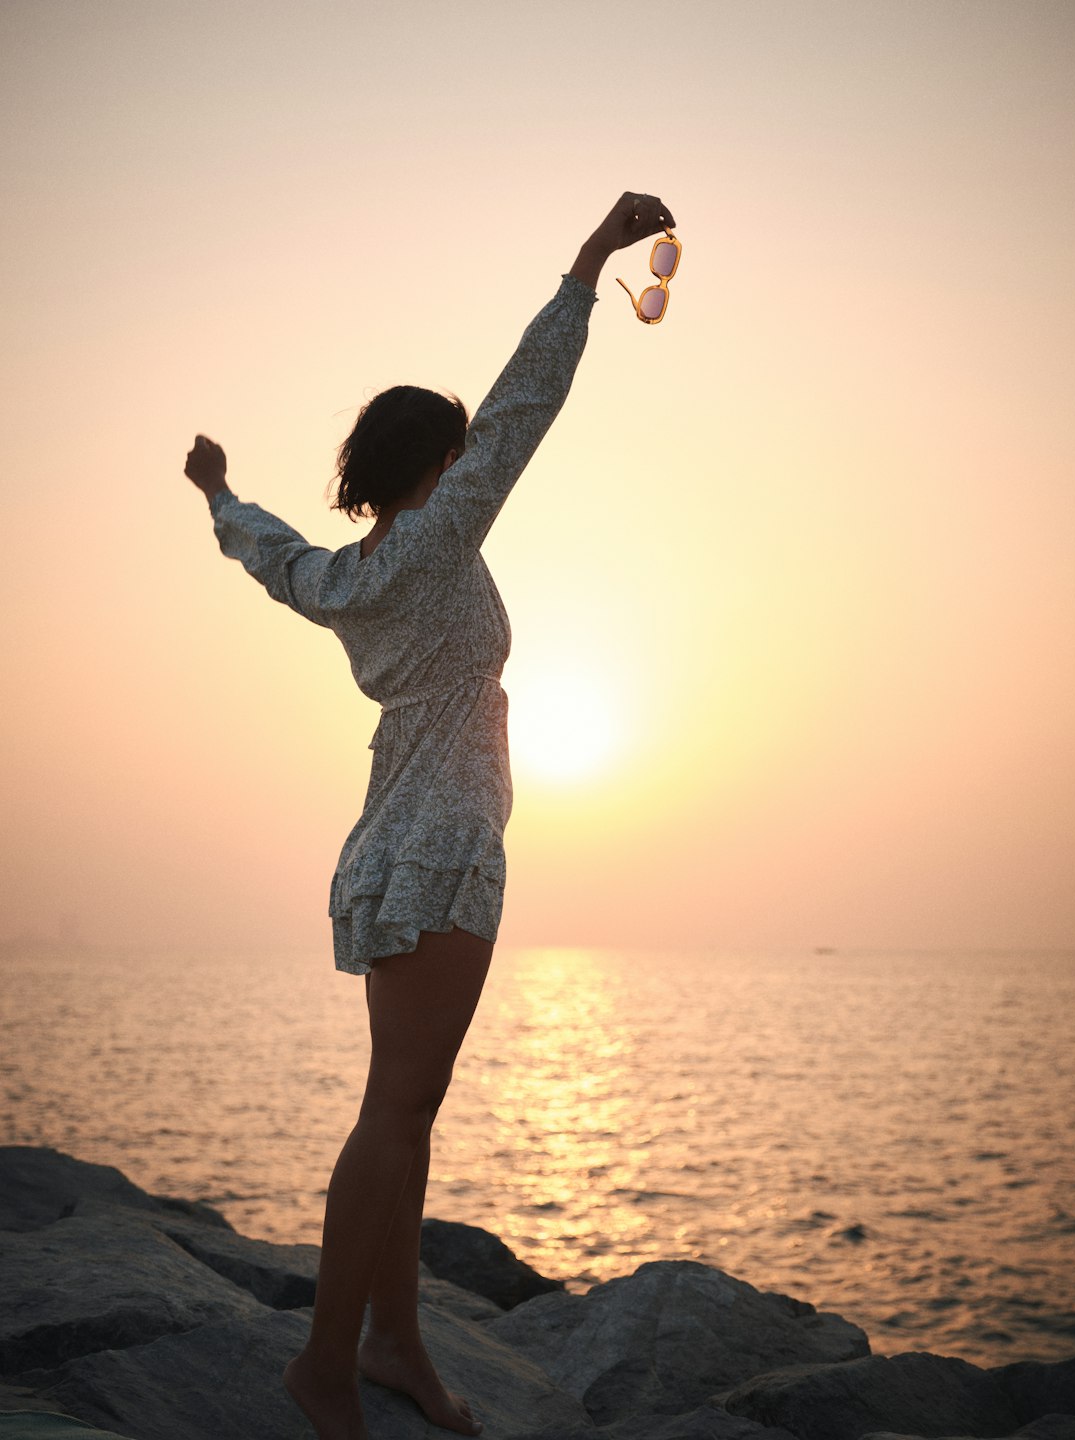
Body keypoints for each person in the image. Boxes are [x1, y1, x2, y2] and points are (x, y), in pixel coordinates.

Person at [183, 190, 676, 1440]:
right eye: (459, 457)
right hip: (443, 846)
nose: (472, 467)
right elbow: (523, 406)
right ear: (441, 468)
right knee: (395, 1112)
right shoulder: (445, 534)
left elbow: (271, 552)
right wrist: (584, 267)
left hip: (384, 850)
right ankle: (325, 1368)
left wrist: (215, 493)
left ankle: (397, 1341)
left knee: (406, 1109)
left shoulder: (347, 578)